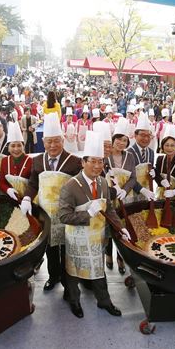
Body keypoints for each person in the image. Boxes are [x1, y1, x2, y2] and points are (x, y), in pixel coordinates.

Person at [58, 131, 125, 319]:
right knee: (73, 271)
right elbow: (63, 216)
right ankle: (74, 301)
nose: (97, 166)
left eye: (100, 162)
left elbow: (109, 209)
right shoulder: (70, 186)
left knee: (98, 269)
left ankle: (104, 301)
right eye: (93, 161)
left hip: (97, 237)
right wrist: (87, 213)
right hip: (77, 238)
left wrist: (122, 228)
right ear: (83, 162)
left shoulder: (103, 183)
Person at [21, 113, 81, 293]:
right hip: (46, 213)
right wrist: (26, 198)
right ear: (43, 142)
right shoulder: (37, 160)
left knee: (68, 248)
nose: (52, 145)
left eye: (56, 141)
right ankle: (53, 276)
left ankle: (68, 281)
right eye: (49, 141)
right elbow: (33, 183)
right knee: (50, 247)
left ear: (62, 141)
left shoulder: (74, 161)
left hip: (67, 213)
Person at [103, 118, 137, 273]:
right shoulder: (105, 156)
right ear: (113, 140)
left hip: (125, 198)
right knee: (109, 225)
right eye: (118, 139)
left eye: (124, 140)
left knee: (122, 226)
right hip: (108, 197)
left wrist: (125, 190)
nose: (121, 143)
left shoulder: (130, 156)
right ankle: (108, 254)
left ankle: (120, 257)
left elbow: (133, 178)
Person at [0, 121, 32, 201]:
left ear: (23, 147)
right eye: (12, 146)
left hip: (28, 200)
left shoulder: (31, 161)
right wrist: (8, 190)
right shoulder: (4, 161)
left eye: (19, 145)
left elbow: (34, 185)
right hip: (9, 199)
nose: (16, 149)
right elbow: (1, 182)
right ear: (8, 148)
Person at [126, 112, 156, 203]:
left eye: (148, 136)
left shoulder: (151, 152)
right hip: (132, 192)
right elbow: (128, 177)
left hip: (147, 193)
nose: (146, 139)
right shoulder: (129, 153)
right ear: (135, 135)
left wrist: (154, 172)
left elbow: (150, 170)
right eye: (142, 135)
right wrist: (141, 189)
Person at [154, 124, 175, 201]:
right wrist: (161, 181)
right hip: (160, 195)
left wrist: (174, 191)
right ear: (162, 146)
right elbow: (156, 175)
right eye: (167, 145)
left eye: (172, 145)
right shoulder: (160, 159)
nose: (169, 148)